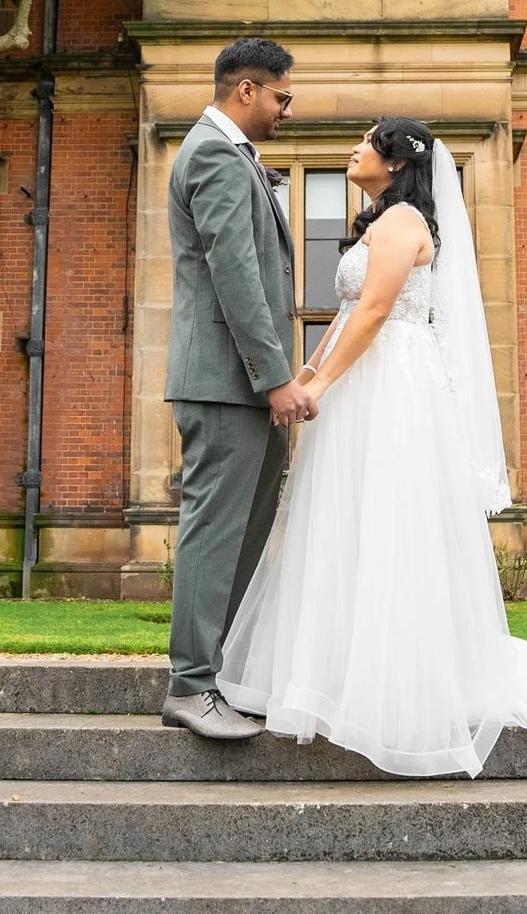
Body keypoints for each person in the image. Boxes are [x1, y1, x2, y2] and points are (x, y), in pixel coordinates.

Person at [218, 117, 527, 776]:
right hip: (365, 380)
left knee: (388, 523)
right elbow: (349, 316)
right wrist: (310, 376)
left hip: (390, 387)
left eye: (366, 140)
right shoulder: (385, 221)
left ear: (396, 161)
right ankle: (345, 670)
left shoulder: (403, 225)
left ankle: (392, 683)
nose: (353, 147)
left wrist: (323, 385)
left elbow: (373, 313)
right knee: (348, 525)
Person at [160, 37, 314, 741]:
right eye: (283, 96)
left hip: (242, 388)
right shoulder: (216, 155)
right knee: (215, 532)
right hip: (227, 386)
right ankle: (190, 686)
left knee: (243, 535)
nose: (289, 109)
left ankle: (216, 676)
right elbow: (236, 279)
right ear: (246, 91)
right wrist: (276, 378)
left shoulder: (234, 156)